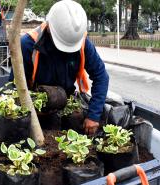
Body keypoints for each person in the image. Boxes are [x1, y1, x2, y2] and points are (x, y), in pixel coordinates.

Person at [9, 0, 109, 135]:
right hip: (37, 110)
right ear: (49, 27)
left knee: (76, 125)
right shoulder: (27, 45)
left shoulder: (82, 42)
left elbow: (101, 76)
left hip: (66, 102)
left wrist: (93, 115)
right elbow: (14, 88)